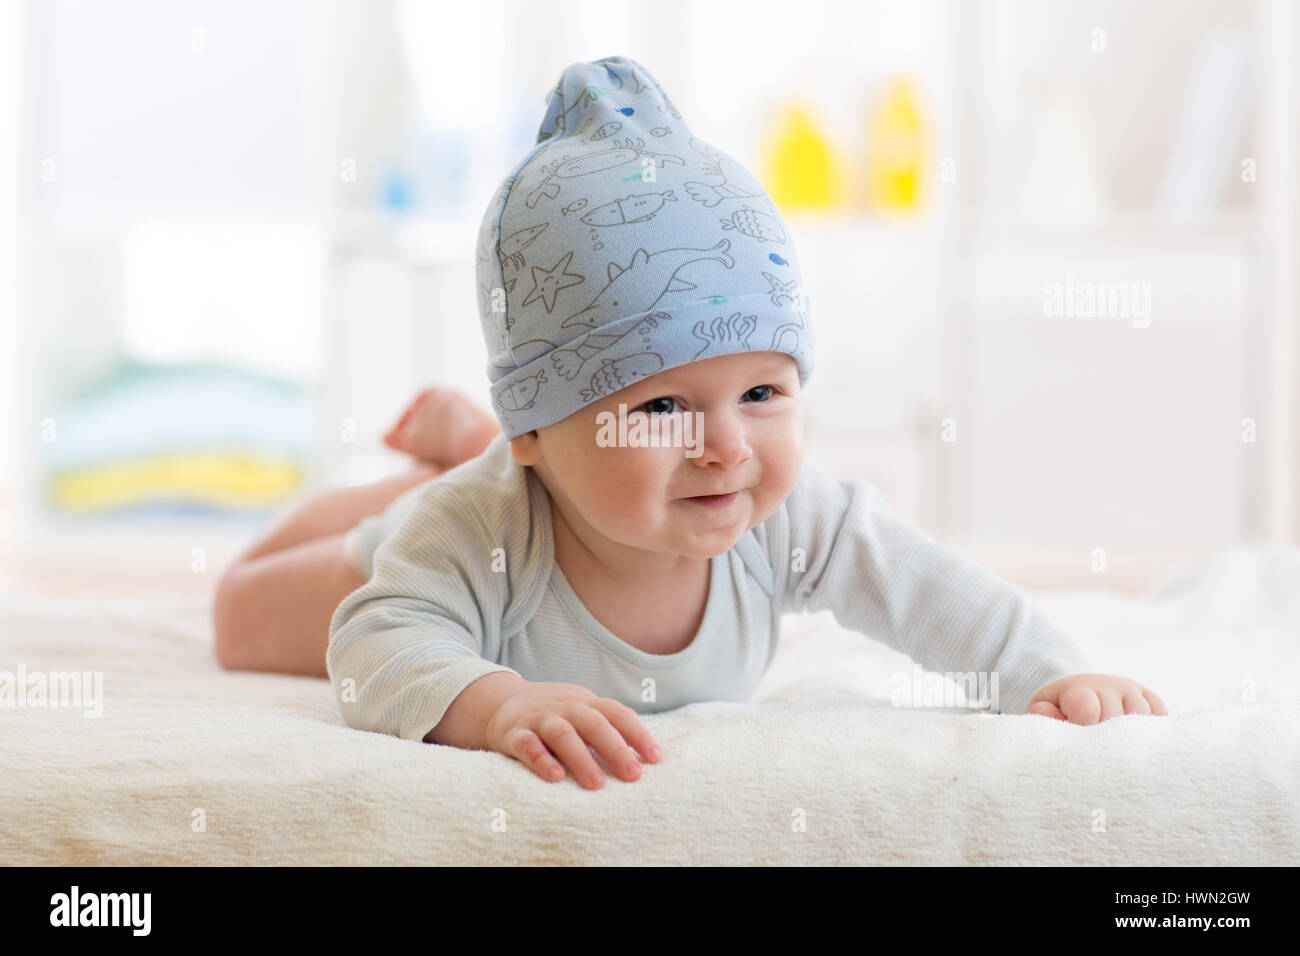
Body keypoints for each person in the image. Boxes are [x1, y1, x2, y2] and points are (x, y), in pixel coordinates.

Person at [213, 56, 1167, 792]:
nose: (729, 446)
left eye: (762, 393)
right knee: (240, 618)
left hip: (528, 467)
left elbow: (926, 587)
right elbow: (373, 643)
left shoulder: (781, 515)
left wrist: (1044, 674)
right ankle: (431, 472)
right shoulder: (471, 535)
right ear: (539, 428)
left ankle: (468, 449)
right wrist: (493, 702)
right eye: (664, 407)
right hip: (421, 537)